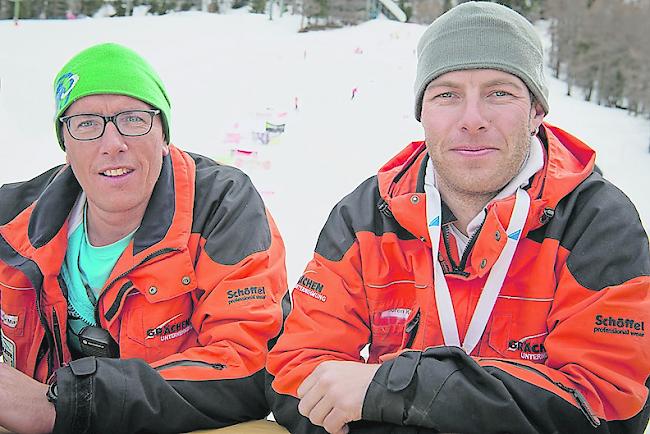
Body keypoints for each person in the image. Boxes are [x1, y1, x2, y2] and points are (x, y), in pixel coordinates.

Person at [267, 2, 650, 434]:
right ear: (422, 113)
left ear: (536, 112)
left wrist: (394, 391)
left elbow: (605, 406)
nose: (472, 120)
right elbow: (295, 371)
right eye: (447, 95)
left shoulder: (597, 224)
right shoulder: (365, 217)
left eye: (499, 93)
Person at [0, 43, 287, 434]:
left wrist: (63, 405)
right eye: (86, 123)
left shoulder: (222, 207)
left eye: (133, 119)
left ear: (163, 135)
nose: (112, 143)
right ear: (65, 145)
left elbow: (248, 364)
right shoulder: (11, 221)